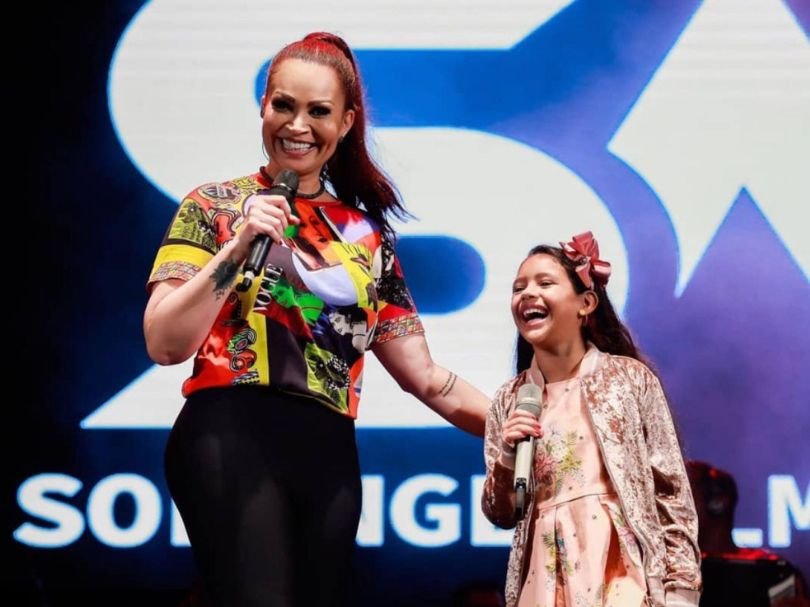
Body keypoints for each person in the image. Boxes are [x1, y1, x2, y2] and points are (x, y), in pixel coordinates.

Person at [143, 32, 490, 607]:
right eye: (284, 105)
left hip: (328, 450)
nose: (297, 125)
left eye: (319, 111)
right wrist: (238, 247)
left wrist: (529, 425)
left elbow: (428, 379)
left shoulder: (366, 236)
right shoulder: (213, 206)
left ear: (346, 122)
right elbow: (164, 342)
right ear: (263, 106)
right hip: (231, 430)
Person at [480, 232, 702, 607]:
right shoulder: (511, 398)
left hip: (620, 567)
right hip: (545, 574)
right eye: (519, 288)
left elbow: (670, 491)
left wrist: (682, 590)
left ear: (585, 303)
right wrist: (506, 457)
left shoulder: (629, 379)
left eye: (544, 283)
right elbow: (501, 513)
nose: (527, 294)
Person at [685, 460, 809, 607]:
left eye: (684, 495)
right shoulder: (670, 567)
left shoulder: (773, 572)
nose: (673, 506)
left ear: (717, 502)